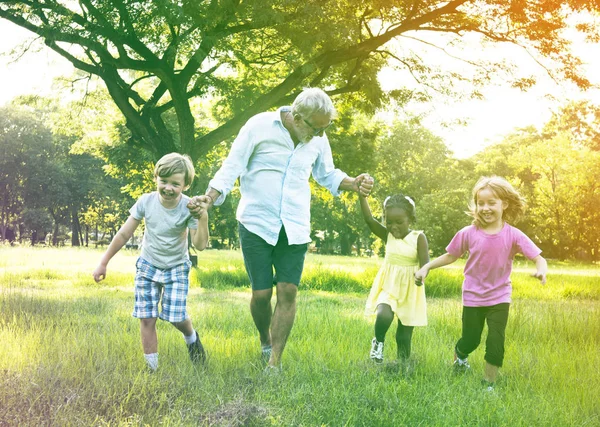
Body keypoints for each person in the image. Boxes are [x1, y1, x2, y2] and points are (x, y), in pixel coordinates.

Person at [189, 87, 373, 372]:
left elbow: (327, 173)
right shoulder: (259, 125)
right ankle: (265, 339)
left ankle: (274, 362)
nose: (321, 135)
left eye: (326, 129)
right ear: (297, 117)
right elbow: (232, 166)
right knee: (261, 296)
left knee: (288, 291)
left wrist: (354, 181)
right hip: (256, 223)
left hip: (295, 225)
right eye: (317, 128)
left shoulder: (317, 137)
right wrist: (210, 199)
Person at [415, 176, 547, 391]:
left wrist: (541, 270)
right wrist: (426, 267)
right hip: (473, 296)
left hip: (499, 296)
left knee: (496, 340)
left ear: (504, 204)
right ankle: (460, 355)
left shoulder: (513, 235)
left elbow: (538, 257)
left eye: (491, 203)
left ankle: (488, 385)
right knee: (471, 339)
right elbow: (450, 255)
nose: (485, 208)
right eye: (480, 203)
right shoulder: (468, 233)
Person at [92, 153, 209, 372]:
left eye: (175, 184)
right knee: (147, 317)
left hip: (176, 267)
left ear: (185, 185)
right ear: (156, 178)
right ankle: (151, 369)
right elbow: (124, 234)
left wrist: (203, 218)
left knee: (176, 317)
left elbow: (200, 244)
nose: (168, 188)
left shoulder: (189, 208)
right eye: (163, 181)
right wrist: (103, 262)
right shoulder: (146, 201)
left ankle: (191, 336)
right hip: (148, 265)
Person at [360, 193, 429, 369]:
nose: (393, 226)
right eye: (389, 222)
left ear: (410, 220)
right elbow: (369, 220)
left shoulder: (418, 238)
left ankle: (402, 365)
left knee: (404, 335)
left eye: (399, 222)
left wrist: (421, 274)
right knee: (383, 314)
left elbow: (425, 263)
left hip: (411, 288)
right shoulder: (387, 235)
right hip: (389, 285)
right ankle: (378, 343)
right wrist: (362, 197)